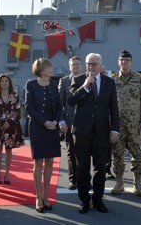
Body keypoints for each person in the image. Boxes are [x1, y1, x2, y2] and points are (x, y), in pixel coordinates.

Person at [69, 53, 119, 214]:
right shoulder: (77, 80)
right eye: (88, 64)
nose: (91, 67)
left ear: (100, 65)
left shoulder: (109, 82)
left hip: (101, 132)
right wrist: (84, 86)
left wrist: (114, 129)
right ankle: (84, 200)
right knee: (82, 167)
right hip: (82, 132)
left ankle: (98, 199)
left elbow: (114, 108)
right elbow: (71, 100)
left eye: (94, 64)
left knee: (101, 168)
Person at [110, 50, 141, 197]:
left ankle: (137, 183)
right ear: (118, 62)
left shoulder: (139, 78)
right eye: (122, 60)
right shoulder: (113, 78)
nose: (124, 62)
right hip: (117, 124)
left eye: (127, 60)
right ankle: (119, 182)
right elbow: (108, 102)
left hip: (134, 123)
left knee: (136, 153)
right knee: (117, 153)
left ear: (131, 62)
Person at [25, 58, 62, 213]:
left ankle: (47, 195)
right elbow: (29, 107)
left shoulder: (54, 85)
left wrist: (54, 121)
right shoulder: (31, 85)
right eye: (48, 66)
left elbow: (59, 106)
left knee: (50, 161)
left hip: (52, 127)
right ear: (41, 69)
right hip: (38, 127)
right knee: (38, 162)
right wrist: (44, 122)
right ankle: (38, 197)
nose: (51, 69)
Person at [0, 73, 24, 184]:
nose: (4, 82)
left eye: (6, 80)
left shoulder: (14, 95)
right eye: (2, 81)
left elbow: (17, 110)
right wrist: (2, 122)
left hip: (11, 126)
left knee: (9, 150)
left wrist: (10, 121)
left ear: (9, 83)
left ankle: (7, 173)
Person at [58, 56, 83, 190]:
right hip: (69, 123)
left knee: (84, 153)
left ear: (81, 66)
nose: (76, 67)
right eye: (73, 65)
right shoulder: (64, 81)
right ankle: (73, 179)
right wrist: (61, 120)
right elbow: (59, 103)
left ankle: (84, 179)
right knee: (71, 152)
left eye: (78, 64)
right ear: (69, 67)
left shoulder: (87, 80)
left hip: (85, 123)